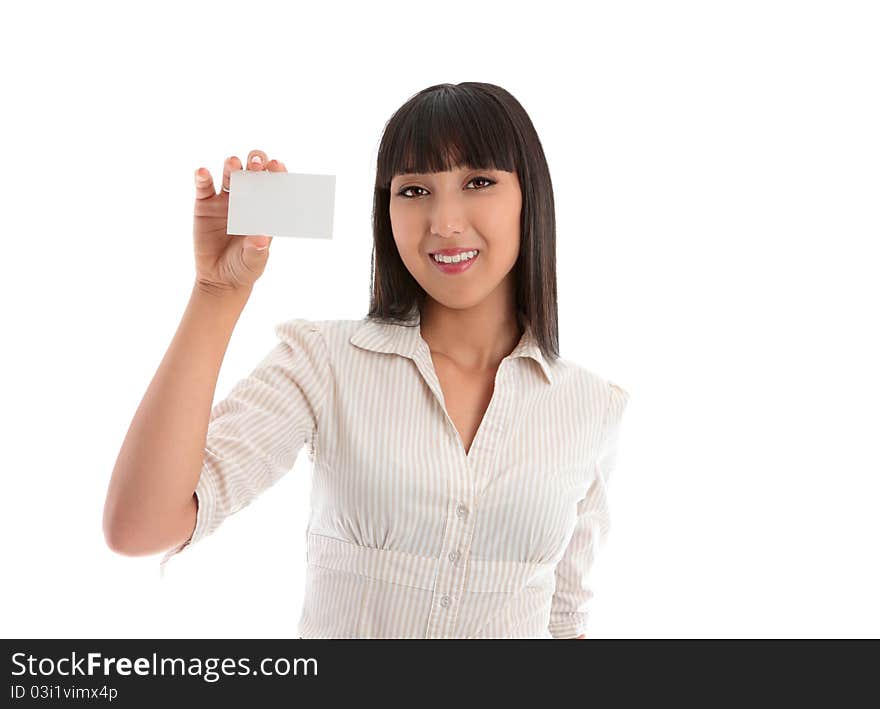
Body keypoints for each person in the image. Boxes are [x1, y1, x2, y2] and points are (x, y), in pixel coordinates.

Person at [102, 82, 630, 639]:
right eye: (414, 190)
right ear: (387, 210)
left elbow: (564, 621)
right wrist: (217, 292)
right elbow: (139, 527)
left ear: (531, 197)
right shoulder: (325, 363)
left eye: (479, 182)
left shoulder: (593, 406)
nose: (445, 221)